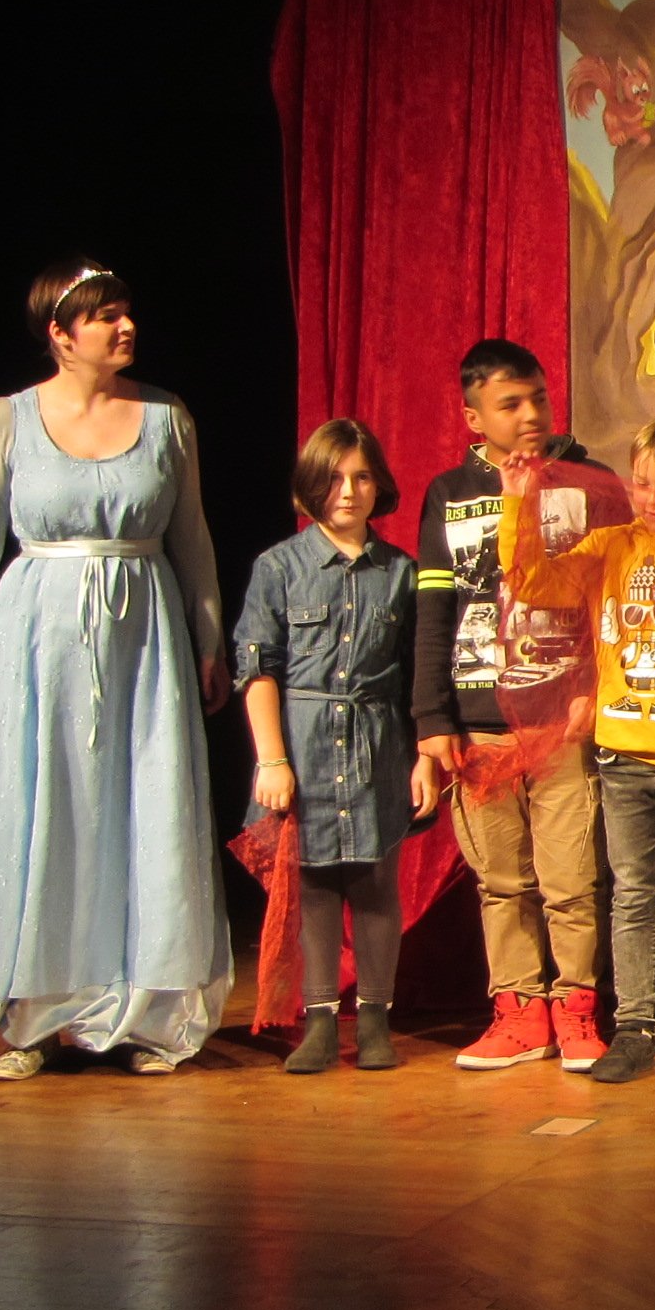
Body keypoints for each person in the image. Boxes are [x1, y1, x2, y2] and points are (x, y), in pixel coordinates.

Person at [0, 261, 232, 1076]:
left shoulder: (167, 416)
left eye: (126, 312)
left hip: (142, 640)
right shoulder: (8, 419)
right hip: (37, 644)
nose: (124, 326)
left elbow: (192, 537)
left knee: (142, 810)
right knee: (42, 812)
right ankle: (32, 1016)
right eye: (104, 317)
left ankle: (144, 1016)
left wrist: (211, 641)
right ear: (60, 336)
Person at [502, 411, 655, 1087]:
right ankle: (634, 1028)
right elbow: (534, 584)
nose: (651, 498)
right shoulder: (611, 545)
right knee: (633, 895)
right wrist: (518, 506)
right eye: (642, 482)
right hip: (623, 752)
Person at [413, 340, 609, 1071]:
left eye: (538, 399)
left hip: (561, 717)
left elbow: (607, 600)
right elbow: (433, 612)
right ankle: (519, 1013)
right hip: (480, 723)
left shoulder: (587, 482)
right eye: (510, 405)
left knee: (570, 880)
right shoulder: (449, 493)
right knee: (501, 882)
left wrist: (594, 688)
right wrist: (433, 720)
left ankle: (577, 1011)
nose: (530, 415)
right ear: (474, 417)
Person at [235, 420, 441, 1072]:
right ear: (310, 485)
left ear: (378, 484)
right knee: (316, 883)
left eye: (361, 477)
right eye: (334, 478)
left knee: (375, 883)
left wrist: (425, 759)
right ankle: (320, 1021)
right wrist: (272, 758)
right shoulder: (279, 568)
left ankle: (375, 1021)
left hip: (380, 742)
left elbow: (420, 676)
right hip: (306, 744)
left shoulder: (401, 573)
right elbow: (257, 668)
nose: (348, 491)